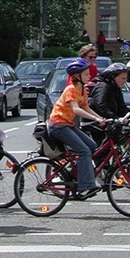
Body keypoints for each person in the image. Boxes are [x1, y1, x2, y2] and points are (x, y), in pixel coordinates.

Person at [49, 58, 106, 199]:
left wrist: (101, 118)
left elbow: (86, 107)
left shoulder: (83, 90)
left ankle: (76, 171)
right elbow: (76, 109)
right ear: (77, 76)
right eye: (86, 74)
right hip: (58, 125)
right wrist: (95, 119)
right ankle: (85, 186)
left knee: (92, 146)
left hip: (67, 124)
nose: (89, 76)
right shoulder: (71, 89)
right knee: (84, 150)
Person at [87, 63, 130, 144]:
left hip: (109, 122)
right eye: (122, 78)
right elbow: (100, 105)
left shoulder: (116, 88)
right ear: (113, 77)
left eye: (126, 78)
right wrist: (115, 117)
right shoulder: (103, 86)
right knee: (103, 149)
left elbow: (121, 107)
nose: (125, 81)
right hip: (95, 123)